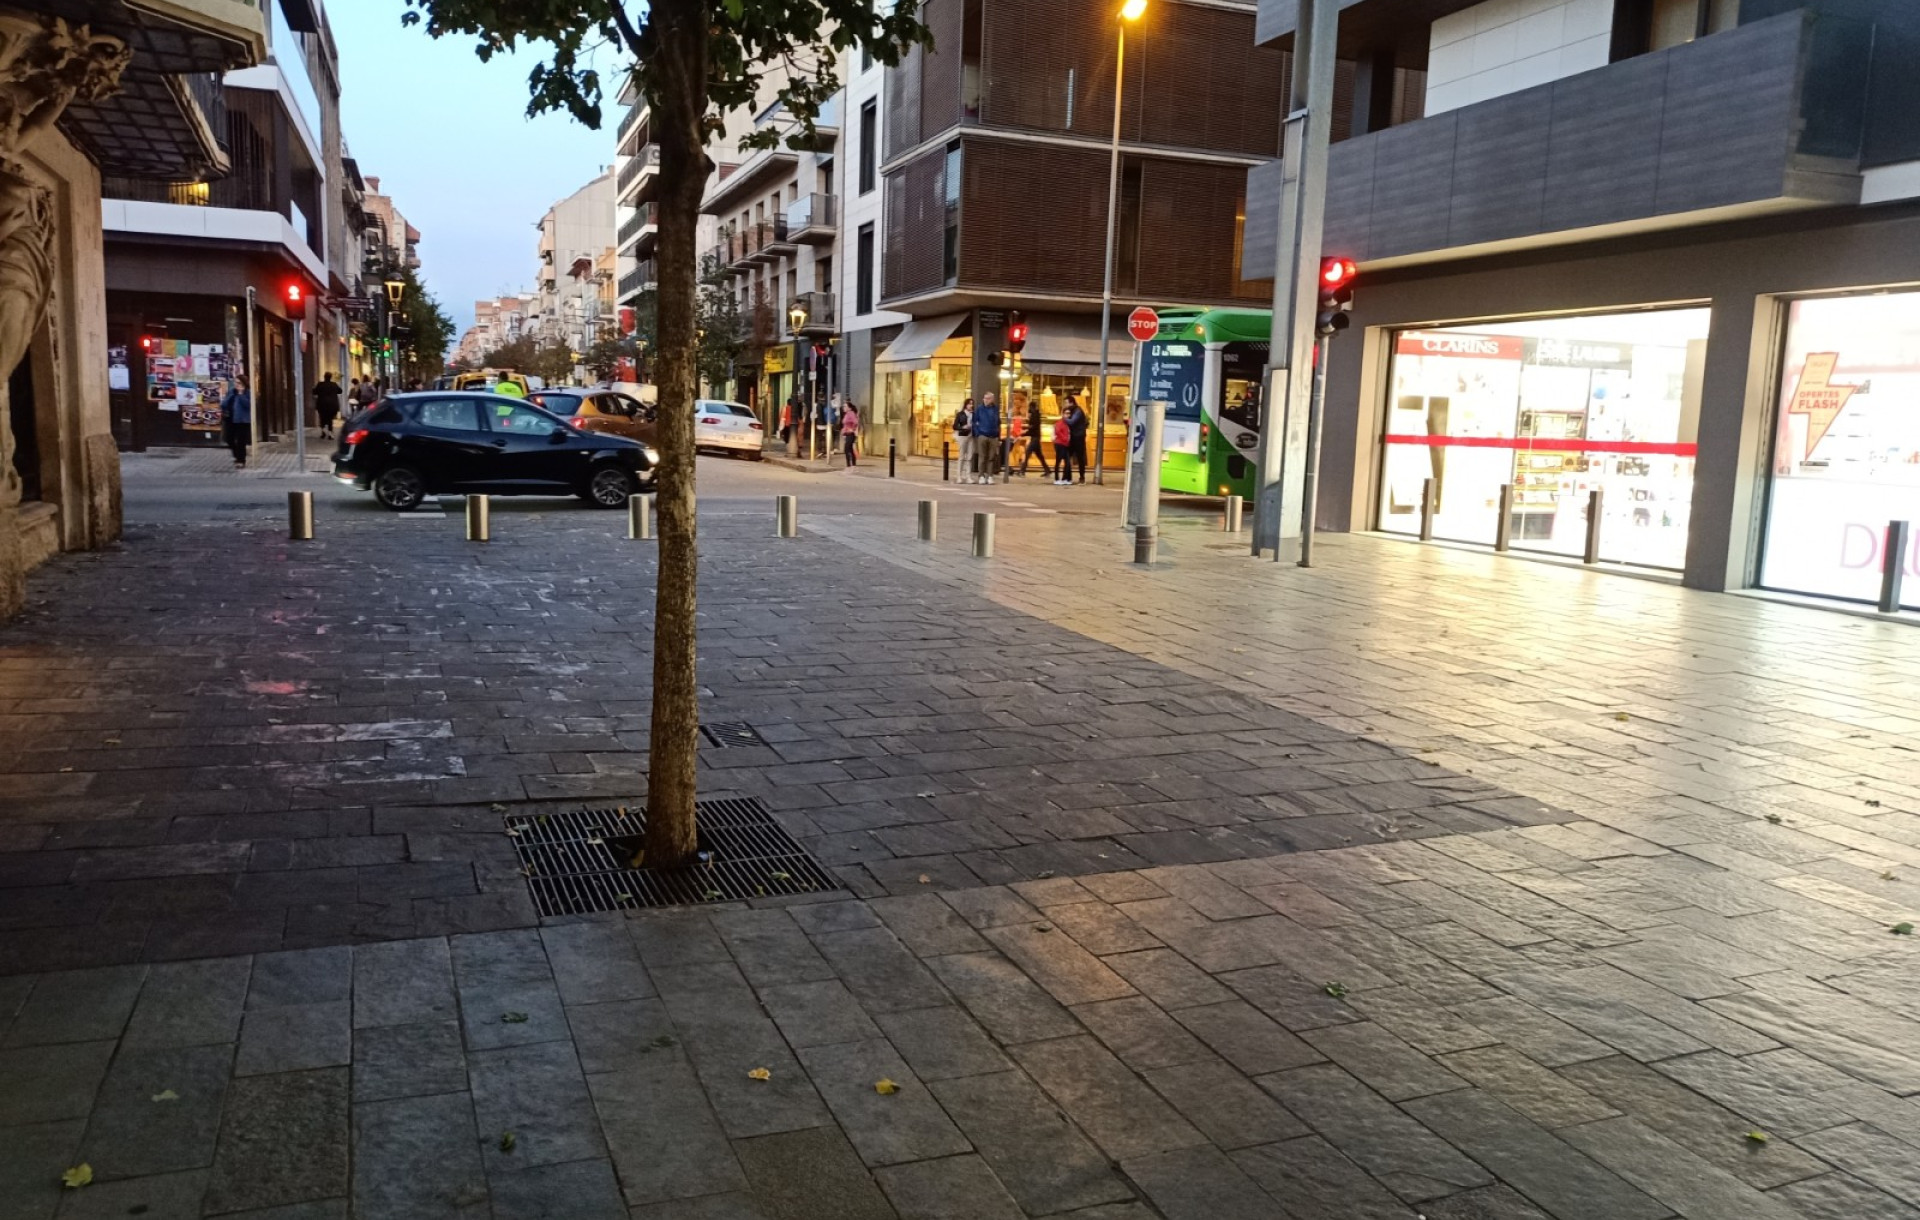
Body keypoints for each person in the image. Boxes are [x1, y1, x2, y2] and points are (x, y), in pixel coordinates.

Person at [219, 375, 252, 468]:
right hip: (230, 418)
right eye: (235, 382)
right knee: (229, 439)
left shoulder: (247, 393)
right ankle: (237, 455)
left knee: (241, 441)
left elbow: (248, 405)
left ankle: (241, 460)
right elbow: (224, 404)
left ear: (244, 384)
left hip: (242, 420)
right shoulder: (231, 391)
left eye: (239, 383)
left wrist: (241, 395)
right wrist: (230, 397)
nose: (237, 385)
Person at [973, 392, 1002, 484]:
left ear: (992, 399)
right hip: (983, 435)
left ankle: (990, 476)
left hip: (993, 436)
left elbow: (998, 422)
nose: (985, 400)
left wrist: (998, 435)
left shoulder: (995, 409)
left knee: (991, 457)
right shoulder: (980, 409)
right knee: (982, 457)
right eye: (985, 398)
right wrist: (978, 433)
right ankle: (981, 476)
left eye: (988, 398)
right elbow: (975, 421)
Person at [1062, 395, 1090, 484]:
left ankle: (1082, 477)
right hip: (1072, 437)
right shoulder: (1071, 410)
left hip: (1078, 437)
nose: (1065, 404)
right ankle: (1066, 477)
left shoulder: (1078, 411)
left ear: (1071, 402)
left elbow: (1072, 422)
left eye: (1066, 402)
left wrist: (1064, 418)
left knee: (1080, 458)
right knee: (1067, 456)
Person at [1019, 396, 1046, 476]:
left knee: (1028, 453)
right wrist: (1026, 429)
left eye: (1029, 407)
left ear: (1031, 407)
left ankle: (1022, 471)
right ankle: (1047, 470)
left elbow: (1033, 427)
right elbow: (1033, 427)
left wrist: (1024, 431)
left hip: (1035, 438)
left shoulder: (1034, 415)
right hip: (1036, 437)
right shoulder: (1036, 415)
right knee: (1039, 455)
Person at [314, 372, 343, 440]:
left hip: (322, 405)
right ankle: (330, 433)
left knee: (322, 418)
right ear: (330, 377)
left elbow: (314, 392)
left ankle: (323, 431)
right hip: (332, 405)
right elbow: (340, 391)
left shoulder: (320, 384)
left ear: (324, 377)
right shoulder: (334, 384)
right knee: (330, 419)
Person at [952, 396, 974, 480]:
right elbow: (954, 426)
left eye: (972, 404)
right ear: (965, 405)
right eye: (969, 404)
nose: (971, 405)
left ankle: (968, 476)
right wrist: (962, 427)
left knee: (969, 457)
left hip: (971, 436)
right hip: (962, 436)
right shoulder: (960, 414)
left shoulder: (974, 414)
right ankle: (959, 476)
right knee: (961, 456)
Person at [1052, 411, 1073, 484]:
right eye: (1066, 413)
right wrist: (1065, 439)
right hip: (1060, 444)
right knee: (1058, 461)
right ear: (1063, 414)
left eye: (1069, 413)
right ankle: (1056, 479)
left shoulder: (1067, 423)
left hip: (1065, 444)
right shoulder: (1060, 423)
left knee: (1067, 462)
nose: (1068, 415)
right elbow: (1058, 432)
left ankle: (1064, 479)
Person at [840, 399, 860, 467]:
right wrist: (843, 432)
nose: (844, 408)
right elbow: (845, 424)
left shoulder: (851, 413)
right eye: (843, 406)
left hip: (850, 434)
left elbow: (856, 422)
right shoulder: (846, 414)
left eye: (845, 406)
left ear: (849, 408)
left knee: (847, 449)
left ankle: (849, 463)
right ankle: (852, 463)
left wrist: (852, 429)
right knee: (850, 449)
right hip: (846, 434)